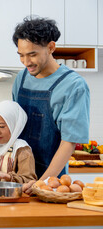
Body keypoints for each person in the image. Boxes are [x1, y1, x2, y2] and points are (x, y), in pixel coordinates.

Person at [11, 17, 90, 190]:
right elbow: (15, 127)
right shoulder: (21, 79)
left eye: (32, 54)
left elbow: (68, 142)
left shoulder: (73, 86)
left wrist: (42, 183)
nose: (26, 62)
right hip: (20, 176)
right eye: (21, 55)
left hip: (52, 180)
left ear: (51, 47)